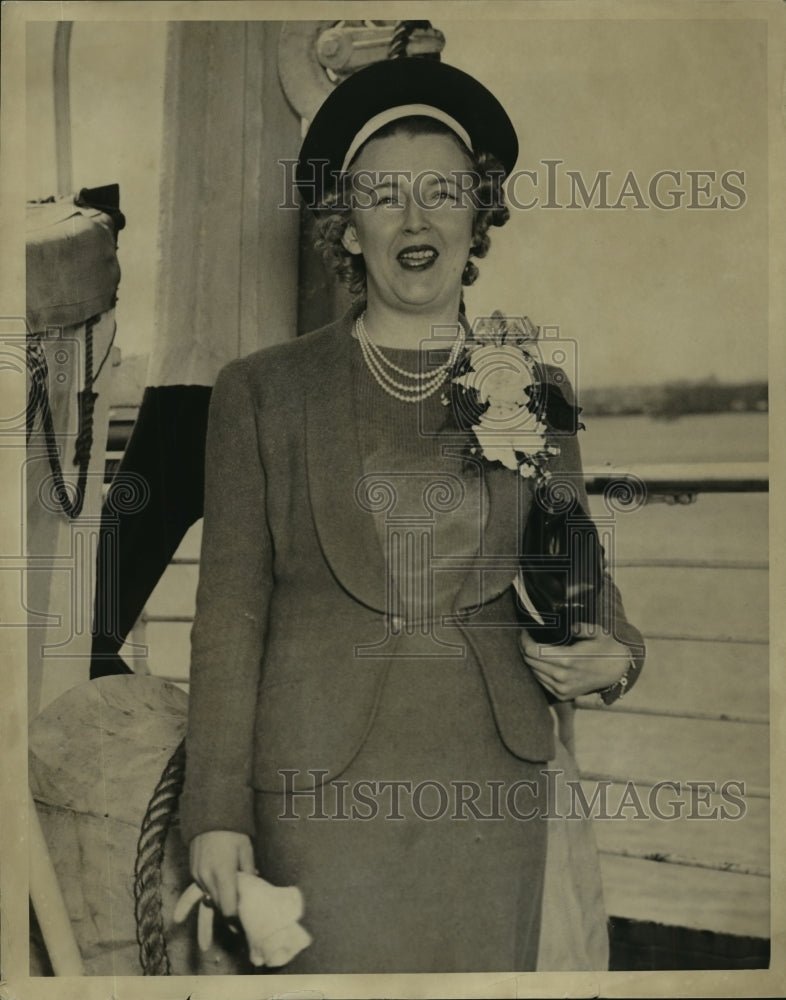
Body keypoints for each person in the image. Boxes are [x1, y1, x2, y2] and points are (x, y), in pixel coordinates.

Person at [179, 57, 645, 973]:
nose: (416, 217)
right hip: (318, 794)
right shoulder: (261, 394)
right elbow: (228, 620)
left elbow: (581, 579)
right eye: (384, 195)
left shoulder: (533, 386)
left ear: (479, 216)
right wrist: (217, 812)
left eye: (443, 191)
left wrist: (618, 653)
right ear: (347, 229)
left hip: (492, 794)